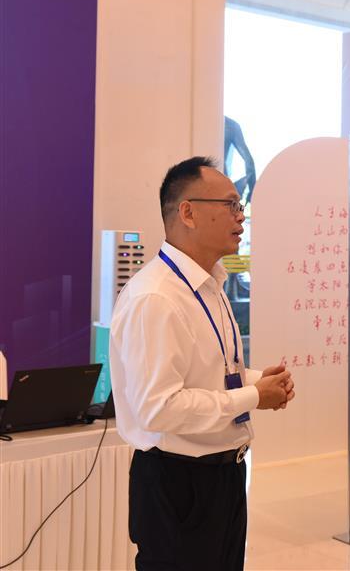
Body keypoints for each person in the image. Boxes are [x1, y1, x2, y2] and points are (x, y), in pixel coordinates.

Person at [109, 156, 296, 570]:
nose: (241, 216)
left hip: (224, 476)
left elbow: (209, 372)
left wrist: (256, 380)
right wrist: (253, 396)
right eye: (230, 205)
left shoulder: (211, 285)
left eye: (240, 206)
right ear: (188, 213)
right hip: (178, 483)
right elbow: (159, 407)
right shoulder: (155, 297)